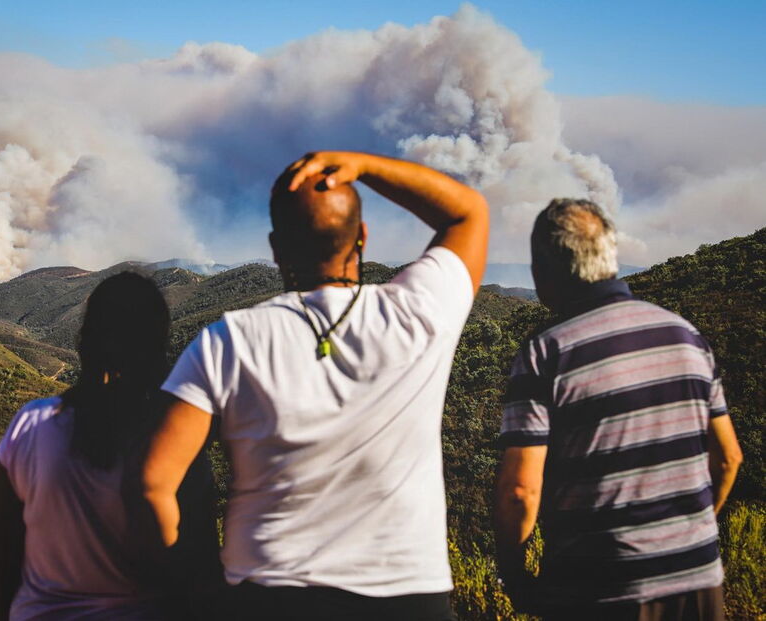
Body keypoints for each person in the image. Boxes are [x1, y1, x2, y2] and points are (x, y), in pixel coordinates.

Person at [141, 151, 489, 621]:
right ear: (362, 237)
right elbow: (468, 211)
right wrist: (362, 166)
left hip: (269, 595)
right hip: (407, 595)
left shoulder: (230, 339)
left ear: (275, 248)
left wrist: (197, 589)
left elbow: (153, 483)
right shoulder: (420, 314)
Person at [494, 198, 743, 620]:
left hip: (597, 591)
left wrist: (514, 578)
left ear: (543, 270)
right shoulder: (687, 336)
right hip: (699, 585)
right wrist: (682, 541)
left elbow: (521, 491)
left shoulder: (546, 352)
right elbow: (728, 460)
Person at [0, 272, 221, 621]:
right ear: (159, 345)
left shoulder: (31, 424)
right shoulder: (174, 443)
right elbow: (199, 570)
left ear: (85, 340)